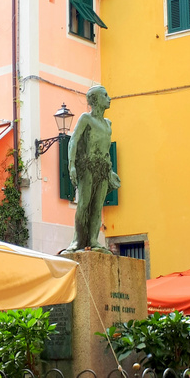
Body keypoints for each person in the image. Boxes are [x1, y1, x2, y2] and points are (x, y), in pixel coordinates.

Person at [64, 85, 121, 253]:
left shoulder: (108, 124)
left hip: (102, 168)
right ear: (95, 100)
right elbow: (73, 141)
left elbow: (106, 149)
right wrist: (72, 165)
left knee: (97, 206)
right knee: (83, 204)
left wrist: (110, 171)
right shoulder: (86, 119)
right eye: (105, 95)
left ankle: (94, 240)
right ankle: (77, 240)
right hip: (87, 167)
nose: (109, 98)